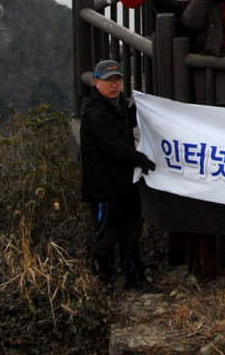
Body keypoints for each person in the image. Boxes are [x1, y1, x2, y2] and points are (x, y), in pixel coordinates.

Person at [80, 59, 159, 293]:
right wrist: (141, 160)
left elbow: (129, 122)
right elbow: (115, 148)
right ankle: (103, 283)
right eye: (108, 81)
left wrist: (148, 106)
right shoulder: (94, 115)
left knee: (131, 235)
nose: (114, 85)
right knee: (106, 238)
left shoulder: (119, 105)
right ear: (96, 83)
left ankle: (135, 279)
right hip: (104, 188)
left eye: (117, 80)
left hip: (126, 184)